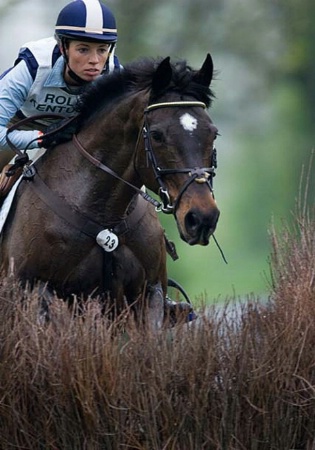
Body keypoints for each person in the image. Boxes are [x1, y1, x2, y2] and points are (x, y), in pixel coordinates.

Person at [0, 0, 121, 170]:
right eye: (83, 50)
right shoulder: (33, 67)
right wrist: (43, 137)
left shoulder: (114, 75)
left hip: (72, 133)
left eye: (102, 50)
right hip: (18, 124)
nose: (95, 61)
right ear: (63, 48)